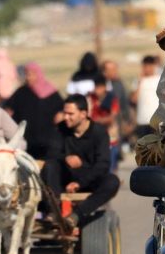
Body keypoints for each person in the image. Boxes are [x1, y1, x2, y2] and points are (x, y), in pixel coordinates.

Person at [42, 95, 120, 229]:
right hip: (63, 183)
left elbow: (103, 164)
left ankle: (77, 215)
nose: (66, 117)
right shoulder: (61, 129)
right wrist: (65, 158)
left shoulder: (99, 132)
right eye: (64, 113)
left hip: (89, 180)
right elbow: (51, 153)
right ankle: (54, 211)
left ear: (83, 114)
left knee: (112, 181)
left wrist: (79, 183)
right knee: (50, 166)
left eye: (70, 114)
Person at [5, 61, 64, 160]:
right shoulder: (21, 92)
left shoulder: (51, 92)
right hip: (25, 143)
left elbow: (62, 108)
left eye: (31, 75)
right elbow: (8, 108)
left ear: (38, 74)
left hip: (48, 143)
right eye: (26, 75)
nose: (28, 78)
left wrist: (61, 114)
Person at [88, 76, 121, 171]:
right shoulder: (90, 98)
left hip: (110, 135)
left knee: (111, 165)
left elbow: (111, 118)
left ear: (104, 87)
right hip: (94, 135)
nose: (97, 90)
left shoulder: (112, 99)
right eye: (95, 87)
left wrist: (97, 120)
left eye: (99, 87)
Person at [131, 55, 162, 140]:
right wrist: (140, 81)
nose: (147, 69)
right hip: (142, 121)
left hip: (156, 121)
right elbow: (134, 99)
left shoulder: (159, 79)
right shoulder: (138, 80)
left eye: (149, 66)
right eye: (145, 66)